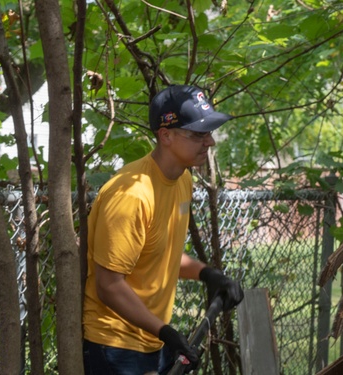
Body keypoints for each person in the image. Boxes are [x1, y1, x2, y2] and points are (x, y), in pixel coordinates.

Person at [82, 85, 244, 375]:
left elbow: (160, 251)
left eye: (209, 133)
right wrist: (167, 332)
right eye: (198, 134)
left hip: (154, 341)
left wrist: (208, 274)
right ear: (165, 135)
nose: (209, 142)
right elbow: (108, 286)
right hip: (115, 346)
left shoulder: (182, 180)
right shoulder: (131, 195)